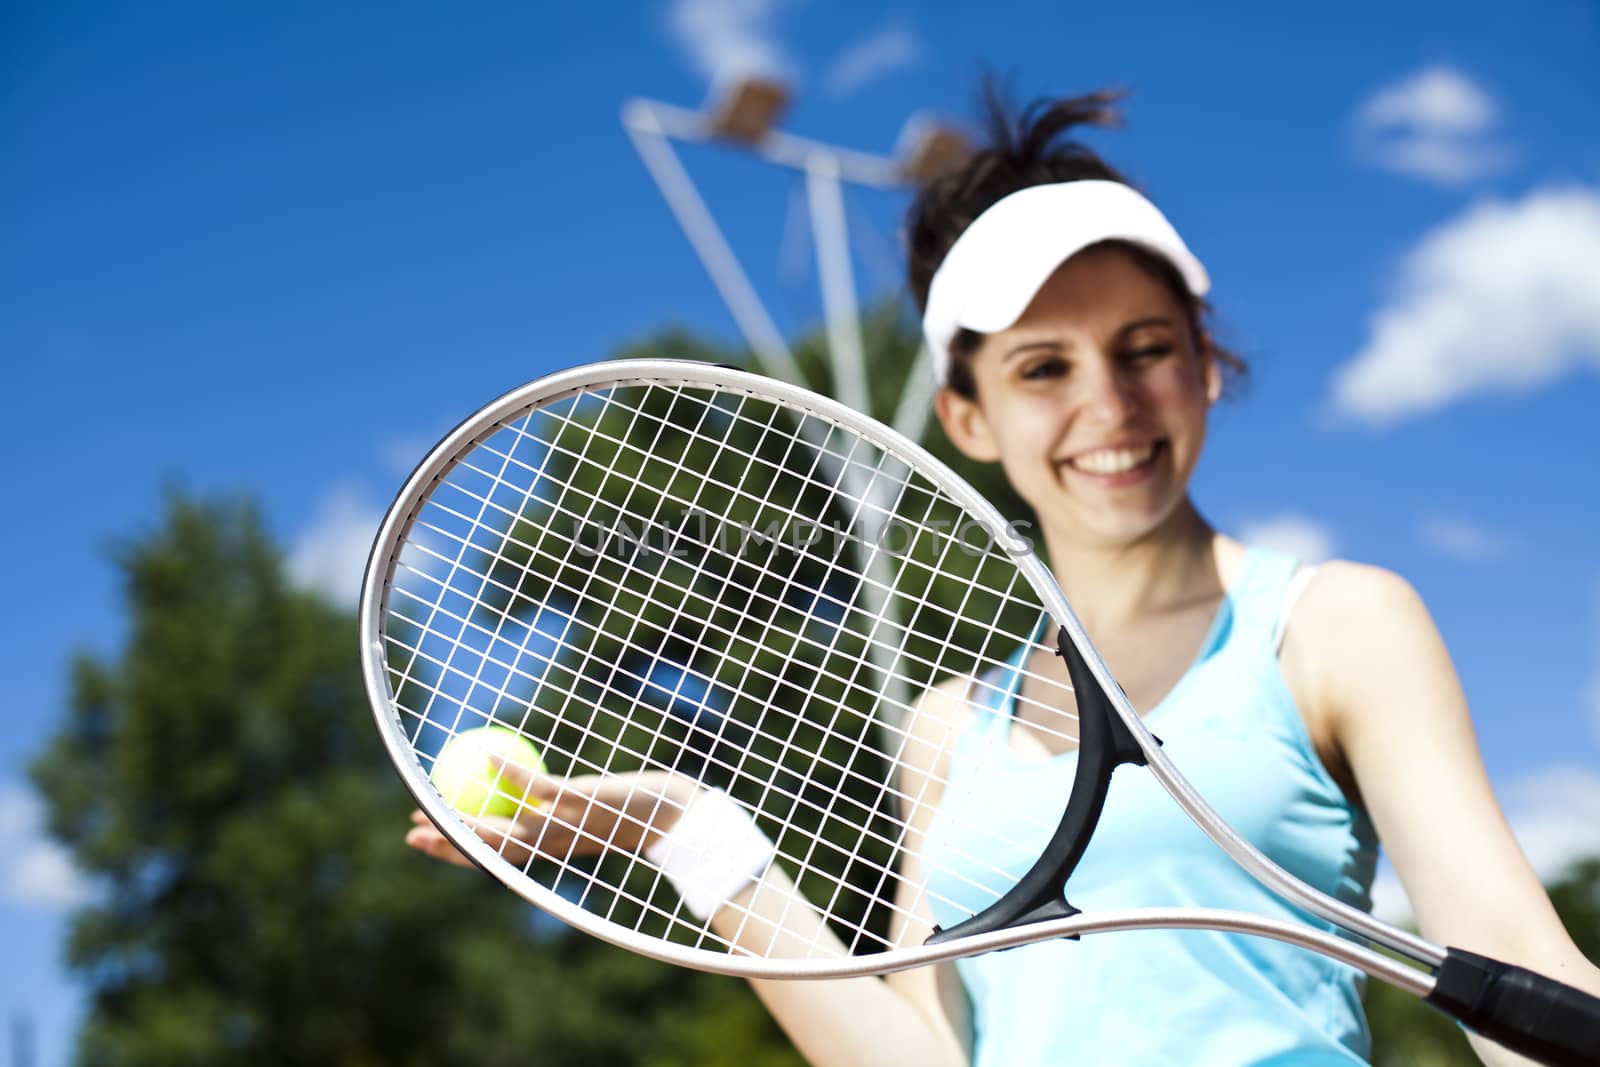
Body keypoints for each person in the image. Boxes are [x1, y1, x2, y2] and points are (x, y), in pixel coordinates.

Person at [405, 88, 1600, 1065]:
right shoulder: (946, 729)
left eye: (1145, 349)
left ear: (1205, 364)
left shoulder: (1333, 625)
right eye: (1042, 367)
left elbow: (1510, 961)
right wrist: (690, 834)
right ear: (966, 415)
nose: (1108, 405)